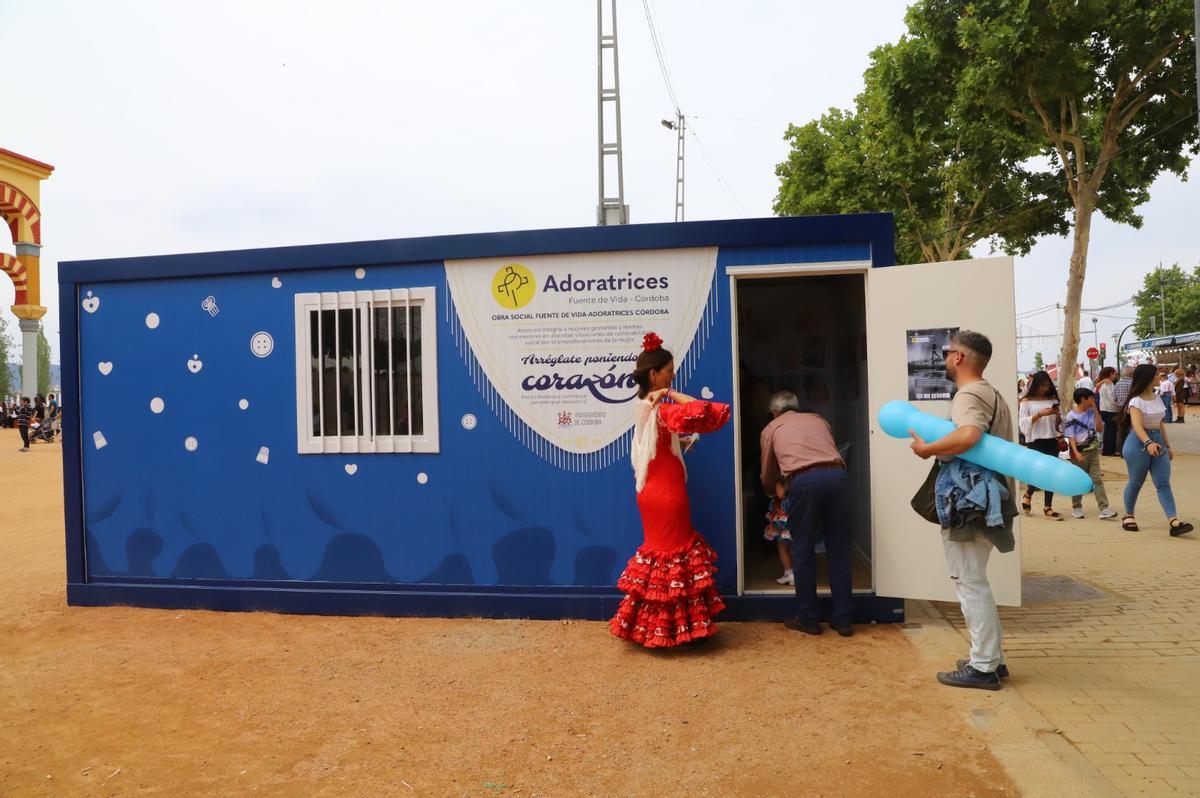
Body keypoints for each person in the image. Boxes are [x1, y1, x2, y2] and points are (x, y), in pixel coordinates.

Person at [908, 330, 1016, 690]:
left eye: (946, 351)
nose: (943, 358)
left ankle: (983, 667)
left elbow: (969, 436)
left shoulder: (969, 394)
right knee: (975, 582)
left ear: (959, 358)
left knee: (970, 583)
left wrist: (929, 449)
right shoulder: (991, 392)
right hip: (985, 498)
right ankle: (991, 660)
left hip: (970, 502)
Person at [610, 332, 731, 648]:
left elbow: (653, 449)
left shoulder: (645, 409)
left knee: (661, 555)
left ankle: (654, 628)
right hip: (667, 495)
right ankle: (676, 631)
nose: (673, 374)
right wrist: (673, 394)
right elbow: (704, 410)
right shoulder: (660, 411)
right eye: (669, 371)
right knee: (672, 556)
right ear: (654, 375)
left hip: (653, 492)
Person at [760, 391, 853, 636]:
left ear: (774, 413)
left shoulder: (772, 427)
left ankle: (809, 618)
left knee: (802, 549)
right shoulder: (819, 419)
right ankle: (843, 619)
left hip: (804, 481)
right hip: (837, 476)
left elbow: (768, 471)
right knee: (839, 549)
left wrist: (772, 490)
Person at [1119, 364, 1194, 537]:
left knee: (1163, 483)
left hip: (1157, 442)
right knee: (1135, 482)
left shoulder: (1157, 398)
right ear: (1147, 378)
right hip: (1138, 443)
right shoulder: (1135, 401)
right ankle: (1128, 515)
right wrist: (1148, 443)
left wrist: (1168, 446)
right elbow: (1137, 426)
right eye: (1156, 375)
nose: (1159, 377)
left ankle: (1174, 521)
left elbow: (1160, 425)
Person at [1017, 371, 1065, 520]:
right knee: (1037, 472)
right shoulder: (1026, 401)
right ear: (1036, 385)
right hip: (1035, 440)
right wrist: (1040, 414)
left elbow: (1060, 423)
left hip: (1051, 439)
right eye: (1043, 386)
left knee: (1050, 473)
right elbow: (1023, 424)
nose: (1045, 389)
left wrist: (1057, 415)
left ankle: (1048, 507)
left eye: (1048, 385)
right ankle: (1029, 493)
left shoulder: (1052, 399)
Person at [1063, 388, 1116, 519]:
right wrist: (1075, 452)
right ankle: (1076, 507)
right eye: (1091, 398)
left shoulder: (1092, 413)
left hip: (1093, 451)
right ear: (1083, 399)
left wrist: (1097, 412)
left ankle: (1104, 508)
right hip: (1079, 452)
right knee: (1077, 480)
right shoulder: (1071, 416)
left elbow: (1099, 428)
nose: (1093, 400)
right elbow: (1071, 436)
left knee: (1097, 479)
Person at [762, 480, 794, 585]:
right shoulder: (798, 474)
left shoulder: (783, 477)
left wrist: (776, 483)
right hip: (795, 515)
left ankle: (789, 574)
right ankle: (797, 573)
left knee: (782, 546)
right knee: (798, 546)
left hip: (784, 517)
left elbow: (780, 494)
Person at [1095, 366, 1119, 455]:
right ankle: (1111, 451)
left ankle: (1106, 450)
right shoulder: (1109, 384)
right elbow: (1111, 398)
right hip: (1110, 410)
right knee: (1112, 431)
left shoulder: (1101, 384)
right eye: (1114, 373)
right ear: (1110, 374)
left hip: (1103, 410)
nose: (1115, 375)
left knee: (1107, 431)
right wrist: (1119, 406)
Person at [1112, 366, 1135, 454]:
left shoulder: (1118, 384)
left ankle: (1121, 450)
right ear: (1132, 374)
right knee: (1132, 429)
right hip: (1131, 409)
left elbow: (1113, 398)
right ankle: (1130, 450)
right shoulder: (1133, 384)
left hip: (1120, 410)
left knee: (1121, 431)